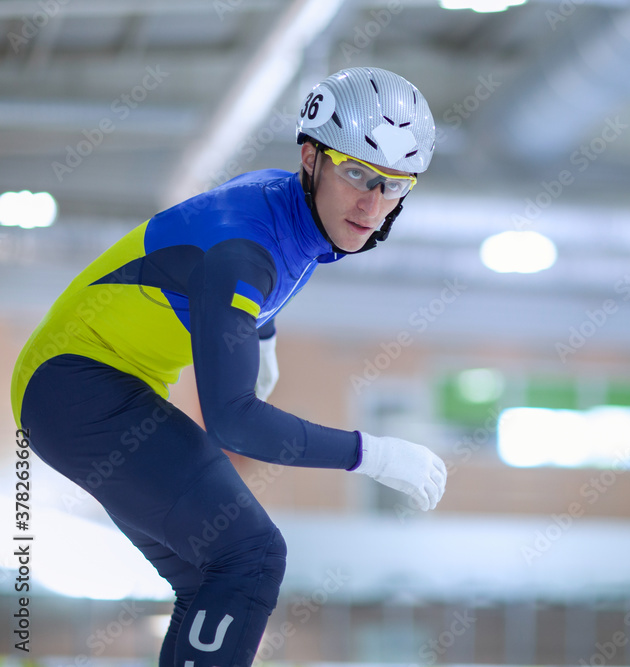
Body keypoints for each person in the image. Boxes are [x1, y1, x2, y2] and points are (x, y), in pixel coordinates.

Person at [10, 67, 446, 666]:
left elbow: (249, 279)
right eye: (357, 174)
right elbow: (234, 423)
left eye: (395, 185)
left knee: (213, 574)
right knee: (250, 555)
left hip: (81, 384)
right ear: (311, 157)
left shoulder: (288, 209)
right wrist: (372, 453)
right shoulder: (245, 250)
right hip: (77, 384)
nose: (373, 204)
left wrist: (260, 336)